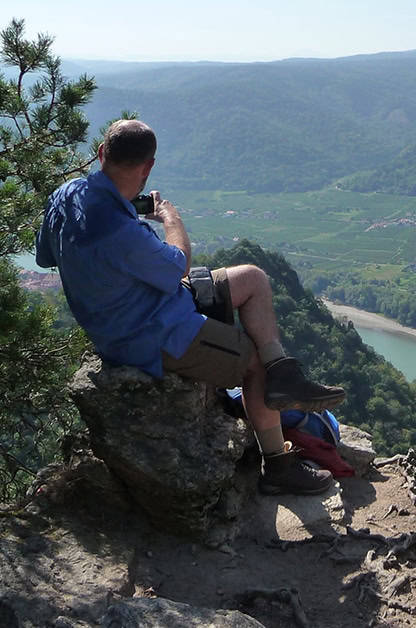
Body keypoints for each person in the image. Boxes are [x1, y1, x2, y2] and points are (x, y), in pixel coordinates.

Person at [36, 119, 345, 496]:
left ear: (102, 154)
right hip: (150, 332)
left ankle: (285, 373)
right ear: (148, 166)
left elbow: (44, 256)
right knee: (252, 361)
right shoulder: (124, 234)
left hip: (146, 304)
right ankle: (277, 466)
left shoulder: (66, 196)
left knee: (252, 278)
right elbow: (177, 265)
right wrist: (170, 218)